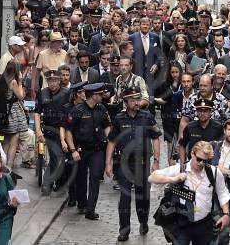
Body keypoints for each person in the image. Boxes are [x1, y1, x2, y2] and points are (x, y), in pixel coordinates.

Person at [104, 87, 161, 242]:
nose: (137, 102)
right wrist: (108, 163)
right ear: (126, 102)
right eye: (133, 100)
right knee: (124, 198)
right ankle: (124, 230)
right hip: (124, 164)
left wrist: (156, 161)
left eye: (138, 98)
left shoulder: (147, 117)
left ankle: (143, 221)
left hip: (142, 163)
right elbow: (112, 141)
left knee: (143, 197)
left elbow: (156, 138)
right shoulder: (119, 118)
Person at [149, 141, 230, 245]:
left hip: (204, 223)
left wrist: (226, 214)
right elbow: (152, 177)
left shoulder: (214, 173)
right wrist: (174, 179)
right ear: (192, 153)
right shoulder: (180, 169)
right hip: (182, 224)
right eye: (199, 159)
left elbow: (223, 193)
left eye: (205, 161)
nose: (201, 163)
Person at [65, 83, 111, 220]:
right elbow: (68, 131)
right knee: (80, 178)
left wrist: (111, 142)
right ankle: (82, 203)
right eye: (100, 94)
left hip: (97, 149)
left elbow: (107, 126)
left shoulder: (102, 109)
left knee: (95, 177)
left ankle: (91, 209)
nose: (103, 96)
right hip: (81, 149)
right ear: (94, 95)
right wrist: (73, 150)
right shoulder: (77, 110)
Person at [34, 70, 71, 196]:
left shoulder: (66, 93)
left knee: (62, 158)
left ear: (59, 81)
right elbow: (37, 113)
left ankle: (59, 182)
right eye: (50, 81)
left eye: (55, 80)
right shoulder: (43, 93)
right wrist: (38, 130)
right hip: (49, 130)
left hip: (64, 129)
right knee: (56, 157)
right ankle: (47, 183)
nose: (52, 83)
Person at [0, 61, 28, 169]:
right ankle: (9, 166)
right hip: (12, 113)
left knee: (6, 141)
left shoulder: (2, 80)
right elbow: (21, 96)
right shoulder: (13, 82)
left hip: (5, 112)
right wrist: (21, 81)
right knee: (14, 141)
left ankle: (0, 165)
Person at [154, 61, 183, 163]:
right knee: (170, 142)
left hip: (181, 116)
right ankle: (171, 166)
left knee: (182, 142)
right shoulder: (165, 84)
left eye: (176, 72)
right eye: (172, 72)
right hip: (168, 115)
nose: (175, 74)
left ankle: (181, 166)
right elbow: (161, 99)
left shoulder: (184, 83)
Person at [178, 99, 224, 163]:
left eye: (205, 111)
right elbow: (182, 145)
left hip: (211, 164)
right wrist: (182, 164)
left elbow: (223, 147)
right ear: (196, 112)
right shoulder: (190, 127)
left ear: (210, 112)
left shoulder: (218, 127)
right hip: (193, 163)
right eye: (200, 111)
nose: (202, 113)